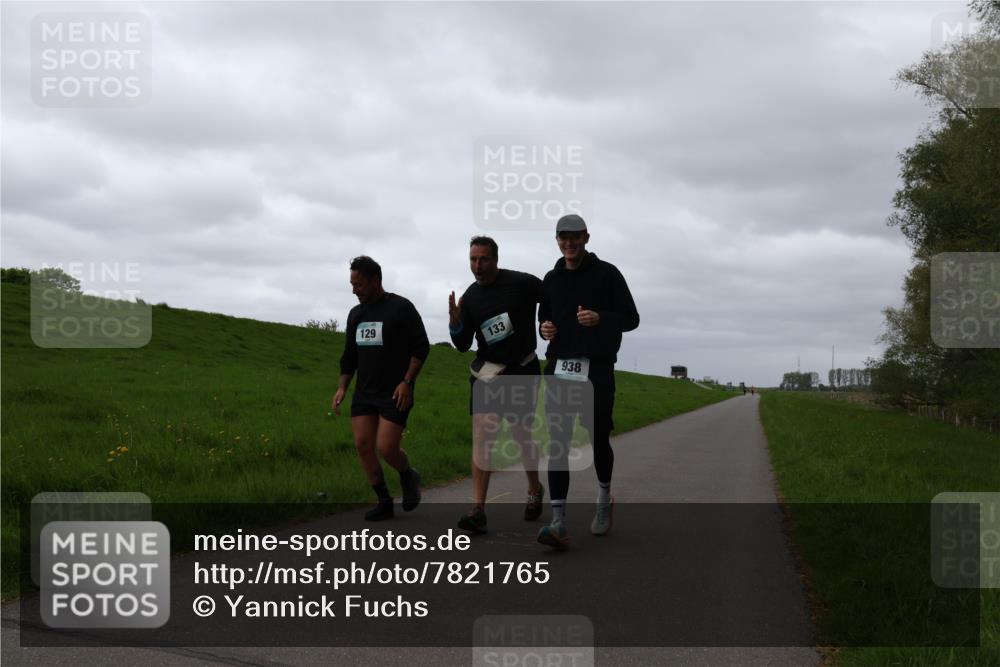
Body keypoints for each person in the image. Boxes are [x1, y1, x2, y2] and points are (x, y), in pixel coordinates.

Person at [536, 214, 639, 548]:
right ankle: (558, 521)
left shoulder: (607, 274)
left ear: (586, 237)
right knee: (558, 443)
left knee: (597, 439)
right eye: (563, 238)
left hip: (596, 371)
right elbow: (544, 319)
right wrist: (545, 330)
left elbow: (631, 319)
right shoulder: (551, 279)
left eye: (575, 237)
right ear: (557, 241)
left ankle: (604, 499)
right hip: (560, 370)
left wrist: (601, 318)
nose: (569, 244)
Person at [448, 236, 545, 533]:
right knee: (483, 432)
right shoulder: (472, 297)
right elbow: (463, 345)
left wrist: (549, 324)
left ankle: (534, 488)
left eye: (483, 259)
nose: (477, 266)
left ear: (496, 259)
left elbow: (552, 297)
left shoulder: (522, 283)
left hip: (522, 368)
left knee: (520, 433)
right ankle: (478, 508)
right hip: (488, 373)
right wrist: (455, 323)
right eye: (473, 260)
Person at [333, 256, 429, 521]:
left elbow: (421, 347)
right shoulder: (356, 314)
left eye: (359, 284)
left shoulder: (400, 308)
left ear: (376, 281)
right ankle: (384, 501)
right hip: (365, 392)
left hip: (396, 391)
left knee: (386, 448)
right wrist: (342, 387)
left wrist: (407, 381)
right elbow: (349, 355)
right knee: (363, 445)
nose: (354, 290)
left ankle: (408, 474)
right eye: (352, 284)